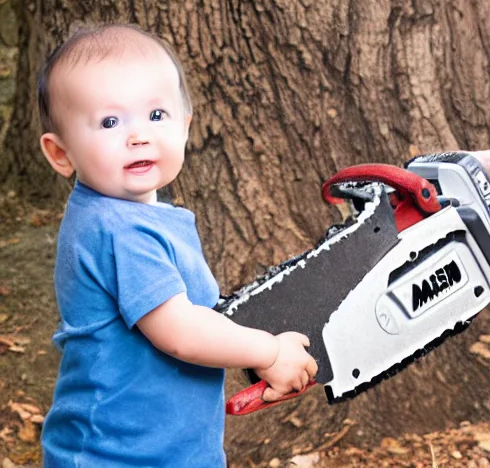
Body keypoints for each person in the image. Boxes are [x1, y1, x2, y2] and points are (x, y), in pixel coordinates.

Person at [36, 23, 317, 467]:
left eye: (156, 115)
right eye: (110, 122)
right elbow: (181, 332)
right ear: (61, 153)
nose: (138, 135)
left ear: (184, 126)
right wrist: (269, 351)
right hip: (115, 454)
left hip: (168, 449)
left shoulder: (135, 216)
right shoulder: (117, 229)